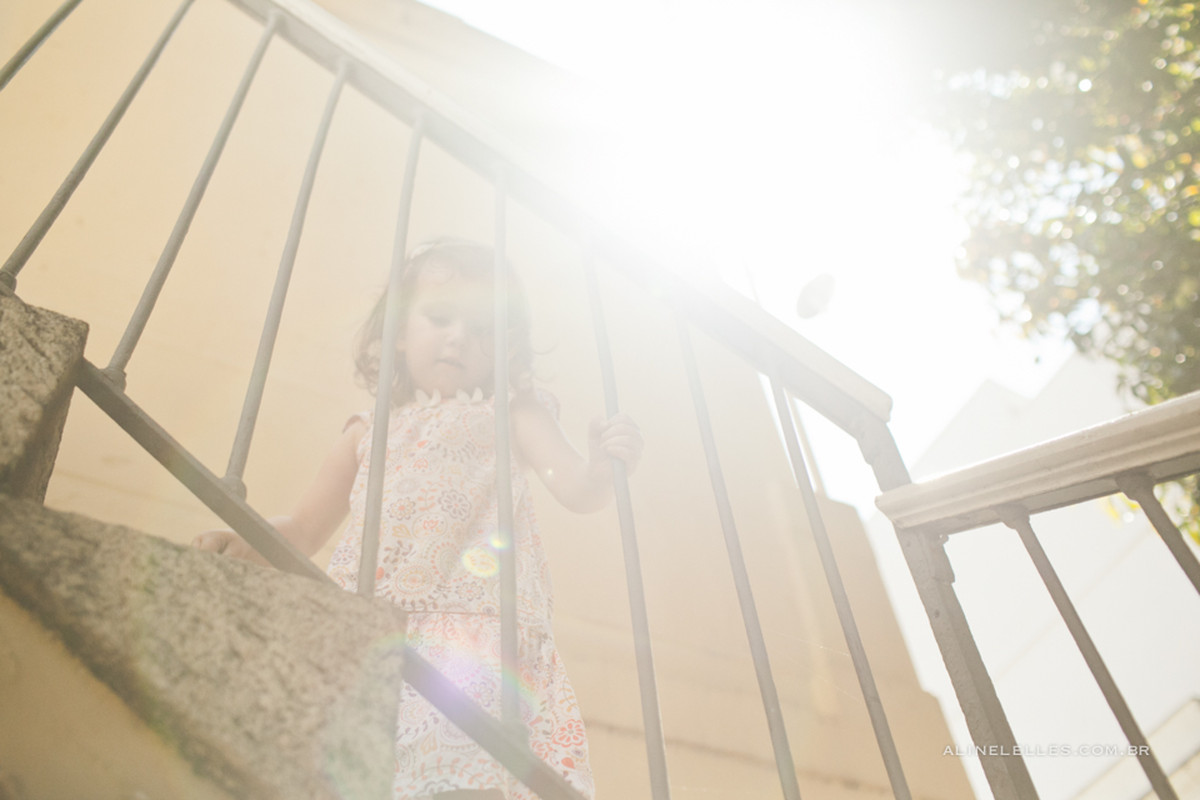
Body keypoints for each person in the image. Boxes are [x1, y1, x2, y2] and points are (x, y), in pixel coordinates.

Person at [194, 239, 641, 800]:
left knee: (462, 777)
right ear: (400, 334)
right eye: (440, 316)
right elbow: (305, 528)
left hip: (472, 627)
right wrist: (249, 542)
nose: (458, 335)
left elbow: (575, 485)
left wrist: (602, 466)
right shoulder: (367, 430)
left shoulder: (511, 413)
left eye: (480, 327)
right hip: (369, 630)